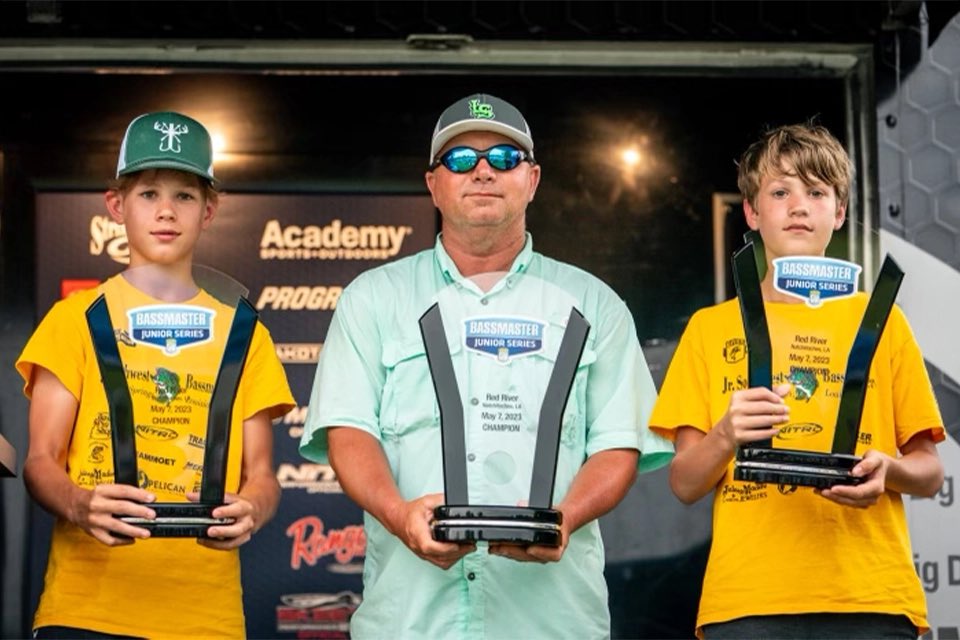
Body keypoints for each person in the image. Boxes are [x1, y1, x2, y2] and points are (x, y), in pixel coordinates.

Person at [300, 93, 672, 638]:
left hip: (551, 620)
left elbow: (618, 445)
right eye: (459, 159)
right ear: (433, 184)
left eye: (503, 159)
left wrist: (563, 520)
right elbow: (348, 432)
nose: (481, 172)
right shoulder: (372, 299)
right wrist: (400, 515)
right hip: (410, 621)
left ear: (534, 180)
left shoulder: (595, 305)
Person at [649, 122, 945, 639]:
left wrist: (887, 471)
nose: (799, 206)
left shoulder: (883, 322)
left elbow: (929, 471)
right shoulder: (710, 327)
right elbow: (684, 483)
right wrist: (726, 435)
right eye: (780, 191)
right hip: (748, 599)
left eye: (817, 192)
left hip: (870, 594)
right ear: (752, 212)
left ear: (840, 212)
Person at [18, 111, 295, 638]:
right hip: (84, 610)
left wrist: (252, 510)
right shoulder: (74, 319)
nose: (166, 211)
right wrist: (80, 503)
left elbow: (262, 476)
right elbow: (39, 462)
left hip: (206, 619)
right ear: (116, 205)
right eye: (148, 193)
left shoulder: (244, 333)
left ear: (209, 210)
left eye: (185, 196)